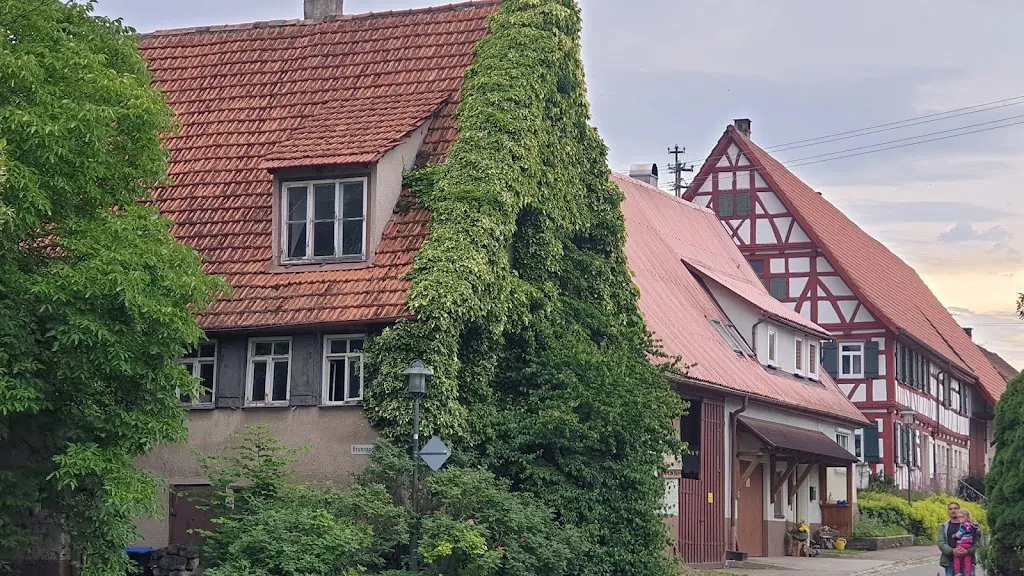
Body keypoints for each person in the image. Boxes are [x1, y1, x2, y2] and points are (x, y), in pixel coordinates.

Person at [938, 501, 977, 576]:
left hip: (967, 559)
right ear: (948, 511)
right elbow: (941, 542)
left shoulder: (970, 526)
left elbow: (977, 542)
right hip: (950, 561)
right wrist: (953, 551)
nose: (953, 510)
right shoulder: (943, 526)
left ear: (959, 510)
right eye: (950, 509)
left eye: (955, 508)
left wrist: (967, 551)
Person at [952, 509, 978, 576]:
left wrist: (955, 535)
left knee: (956, 557)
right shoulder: (972, 525)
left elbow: (959, 534)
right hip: (969, 544)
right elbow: (976, 531)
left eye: (962, 517)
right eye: (959, 517)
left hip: (963, 544)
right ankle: (967, 573)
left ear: (967, 517)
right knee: (967, 559)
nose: (960, 519)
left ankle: (957, 572)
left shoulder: (964, 525)